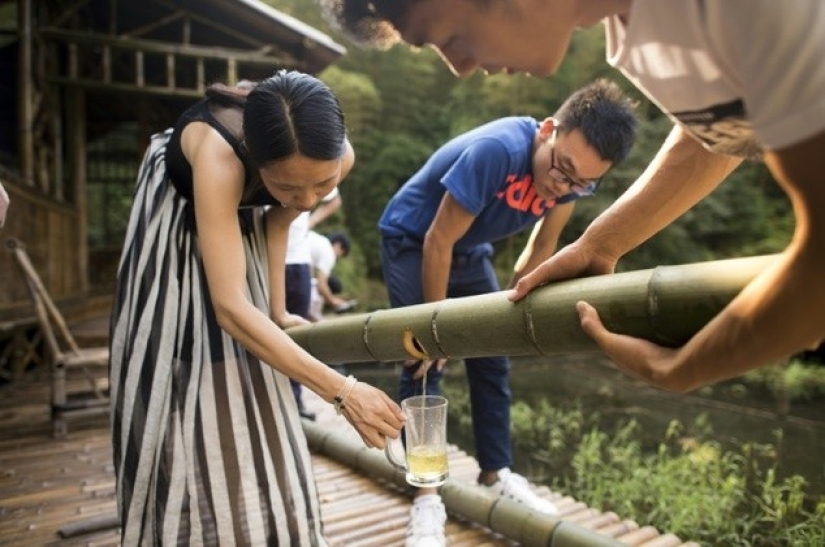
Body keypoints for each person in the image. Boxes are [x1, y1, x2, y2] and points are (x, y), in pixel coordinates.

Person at [321, 1, 825, 394]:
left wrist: (682, 369)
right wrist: (601, 244)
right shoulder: (635, 33)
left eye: (450, 38)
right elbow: (721, 130)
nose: (460, 68)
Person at [109, 69, 405, 545]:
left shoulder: (335, 156)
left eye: (322, 185)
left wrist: (277, 309)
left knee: (256, 366)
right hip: (177, 217)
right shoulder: (220, 154)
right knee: (176, 367)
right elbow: (227, 306)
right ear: (256, 158)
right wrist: (344, 392)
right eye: (289, 186)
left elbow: (279, 223)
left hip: (239, 227)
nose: (308, 201)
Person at [378, 79, 638, 546]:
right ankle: (426, 495)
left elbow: (542, 246)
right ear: (547, 130)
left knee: (493, 358)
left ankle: (495, 473)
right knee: (423, 362)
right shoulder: (496, 151)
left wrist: (521, 303)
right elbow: (438, 240)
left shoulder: (571, 183)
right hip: (414, 242)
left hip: (470, 249)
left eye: (582, 183)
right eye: (562, 171)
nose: (564, 187)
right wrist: (437, 332)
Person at [285, 188, 343, 421]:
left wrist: (309, 219)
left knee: (295, 337)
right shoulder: (326, 250)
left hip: (297, 262)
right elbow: (322, 285)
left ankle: (295, 400)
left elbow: (334, 198)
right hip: (266, 258)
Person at [308, 231, 357, 321]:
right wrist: (333, 301)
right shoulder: (329, 252)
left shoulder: (319, 242)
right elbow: (321, 285)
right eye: (341, 254)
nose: (338, 258)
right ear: (338, 246)